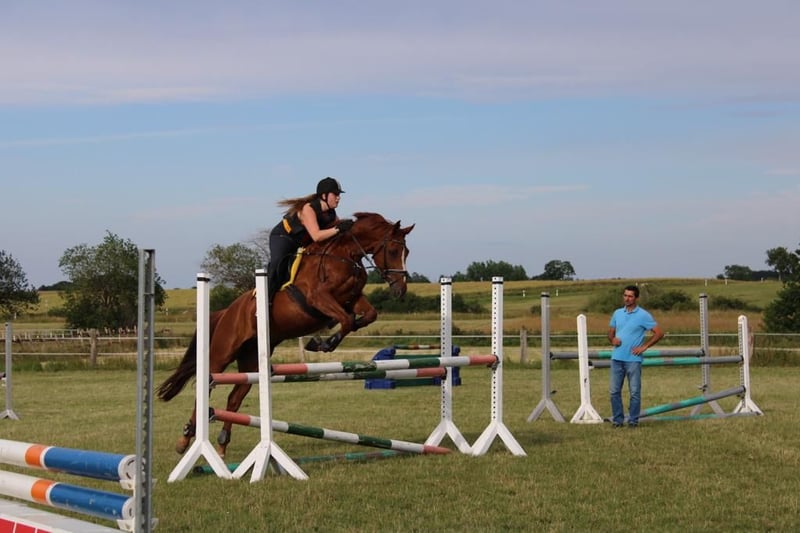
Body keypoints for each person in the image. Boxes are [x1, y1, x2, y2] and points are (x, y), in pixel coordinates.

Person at [267, 177, 353, 302]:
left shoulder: (331, 213)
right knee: (278, 263)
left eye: (339, 195)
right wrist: (338, 229)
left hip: (301, 243)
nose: (338, 198)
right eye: (335, 194)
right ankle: (265, 299)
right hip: (283, 237)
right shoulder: (309, 208)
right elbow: (317, 236)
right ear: (324, 196)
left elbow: (336, 231)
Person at [607, 285, 664, 428]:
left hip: (633, 359)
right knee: (614, 392)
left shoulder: (643, 315)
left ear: (636, 298)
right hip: (616, 358)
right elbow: (610, 333)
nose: (627, 298)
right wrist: (613, 339)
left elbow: (659, 333)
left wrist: (644, 347)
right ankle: (618, 421)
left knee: (634, 392)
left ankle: (633, 421)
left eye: (630, 296)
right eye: (625, 295)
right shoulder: (617, 313)